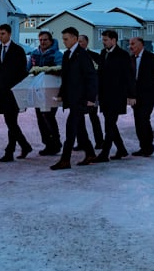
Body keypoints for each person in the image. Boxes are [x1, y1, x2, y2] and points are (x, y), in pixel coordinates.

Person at [50, 26, 98, 170]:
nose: (63, 41)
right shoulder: (67, 55)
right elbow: (66, 78)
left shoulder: (82, 55)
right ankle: (90, 153)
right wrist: (61, 94)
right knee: (80, 128)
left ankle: (65, 160)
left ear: (75, 39)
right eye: (63, 39)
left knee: (71, 128)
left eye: (66, 39)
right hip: (72, 98)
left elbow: (91, 77)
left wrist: (91, 97)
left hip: (81, 98)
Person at [0, 23, 31, 162]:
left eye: (3, 33)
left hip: (14, 92)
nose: (0, 36)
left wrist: (21, 90)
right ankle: (24, 146)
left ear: (9, 34)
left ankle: (10, 151)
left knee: (11, 122)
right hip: (1, 91)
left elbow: (23, 73)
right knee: (10, 122)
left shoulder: (18, 51)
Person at [94, 29, 134, 161]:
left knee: (109, 124)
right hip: (105, 95)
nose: (103, 42)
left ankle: (104, 153)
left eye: (105, 40)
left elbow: (129, 76)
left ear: (114, 40)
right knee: (110, 124)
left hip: (117, 95)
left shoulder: (122, 55)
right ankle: (121, 149)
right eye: (103, 40)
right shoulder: (103, 53)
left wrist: (131, 95)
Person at [27, 30, 63, 155]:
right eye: (41, 40)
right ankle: (48, 144)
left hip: (51, 90)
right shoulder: (34, 54)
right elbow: (28, 70)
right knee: (40, 118)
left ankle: (56, 143)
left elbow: (61, 69)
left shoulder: (56, 54)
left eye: (45, 40)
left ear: (51, 41)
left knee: (48, 116)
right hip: (38, 91)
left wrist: (48, 70)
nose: (42, 42)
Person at [77, 33, 105, 149]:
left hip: (92, 91)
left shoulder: (94, 55)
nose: (79, 44)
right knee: (78, 117)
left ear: (86, 42)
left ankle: (99, 141)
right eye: (77, 42)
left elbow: (100, 72)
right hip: (79, 91)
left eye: (81, 41)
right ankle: (82, 142)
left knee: (93, 116)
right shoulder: (74, 55)